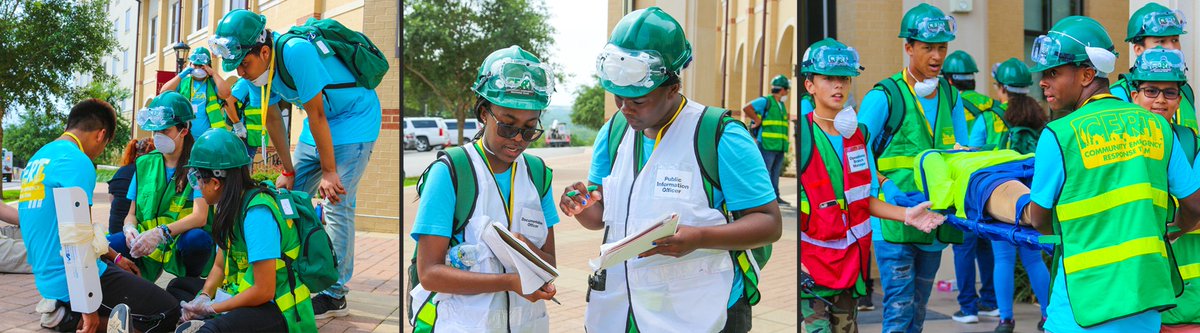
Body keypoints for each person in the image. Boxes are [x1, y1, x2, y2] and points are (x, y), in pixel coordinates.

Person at [563, 7, 782, 332]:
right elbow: (600, 216)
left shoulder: (720, 135)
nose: (625, 108)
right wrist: (580, 206)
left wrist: (700, 237)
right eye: (619, 97)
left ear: (673, 87)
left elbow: (769, 223)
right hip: (623, 312)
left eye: (637, 100)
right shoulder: (613, 133)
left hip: (702, 313)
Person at [1016, 15, 1200, 332]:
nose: (1043, 81)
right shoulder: (1157, 126)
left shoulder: (1059, 135)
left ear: (1088, 74)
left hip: (1081, 309)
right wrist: (1175, 228)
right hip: (1145, 305)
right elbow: (1194, 206)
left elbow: (1040, 220)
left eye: (1053, 72)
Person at [211, 10, 382, 318]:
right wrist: (288, 171)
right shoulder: (256, 70)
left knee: (336, 202)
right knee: (286, 198)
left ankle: (335, 294)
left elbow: (315, 113)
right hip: (320, 124)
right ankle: (284, 276)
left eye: (245, 64)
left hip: (353, 118)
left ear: (264, 51)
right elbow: (273, 118)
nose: (242, 72)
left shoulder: (295, 51)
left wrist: (329, 172)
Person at [798, 37, 947, 333]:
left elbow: (862, 199)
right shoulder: (803, 134)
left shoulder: (856, 139)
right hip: (811, 273)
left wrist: (906, 215)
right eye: (829, 78)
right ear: (810, 85)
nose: (838, 86)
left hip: (848, 270)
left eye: (844, 78)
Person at [407, 45, 560, 332]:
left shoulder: (538, 175)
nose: (518, 139)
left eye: (530, 129)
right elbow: (429, 274)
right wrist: (511, 283)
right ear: (483, 113)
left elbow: (550, 262)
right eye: (507, 126)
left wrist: (525, 249)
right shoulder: (451, 173)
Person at [18, 99, 180, 332]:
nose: (99, 152)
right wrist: (89, 308)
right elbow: (77, 239)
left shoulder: (40, 158)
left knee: (135, 287)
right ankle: (72, 319)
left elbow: (74, 228)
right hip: (69, 279)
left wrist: (116, 258)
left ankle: (64, 310)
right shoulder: (77, 161)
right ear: (101, 134)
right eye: (105, 145)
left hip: (45, 277)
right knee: (166, 311)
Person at [857, 4, 970, 332]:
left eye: (942, 48)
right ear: (908, 47)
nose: (937, 56)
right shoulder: (885, 96)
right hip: (893, 223)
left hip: (933, 221)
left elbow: (961, 154)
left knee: (918, 312)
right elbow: (857, 152)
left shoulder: (951, 95)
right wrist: (886, 186)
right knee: (899, 309)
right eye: (928, 48)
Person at [173, 128, 317, 333]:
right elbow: (219, 267)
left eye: (197, 179)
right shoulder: (228, 204)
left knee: (212, 330)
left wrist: (212, 308)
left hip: (277, 310)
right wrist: (203, 297)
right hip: (241, 295)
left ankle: (203, 326)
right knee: (177, 288)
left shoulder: (258, 214)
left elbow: (264, 290)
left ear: (215, 183)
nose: (196, 187)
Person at [967, 58, 1054, 333]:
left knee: (1002, 257)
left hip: (998, 194)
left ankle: (1006, 320)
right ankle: (1048, 315)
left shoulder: (990, 117)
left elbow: (973, 157)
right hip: (1031, 195)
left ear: (1001, 88)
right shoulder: (1041, 117)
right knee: (1034, 258)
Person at [1123, 47, 1200, 332]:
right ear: (1135, 96)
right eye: (1151, 91)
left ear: (1179, 100)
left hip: (1187, 302)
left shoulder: (1192, 146)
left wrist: (1180, 225)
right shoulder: (1117, 148)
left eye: (1169, 93)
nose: (1159, 100)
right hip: (1135, 293)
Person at [107, 92, 215, 295]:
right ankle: (129, 288)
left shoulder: (198, 165)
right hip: (144, 242)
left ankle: (189, 285)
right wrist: (130, 229)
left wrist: (160, 233)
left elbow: (200, 217)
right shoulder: (144, 163)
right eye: (155, 130)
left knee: (197, 240)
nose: (158, 136)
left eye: (165, 130)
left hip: (180, 241)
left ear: (184, 130)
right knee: (108, 246)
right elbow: (132, 213)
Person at [941, 49, 1001, 323]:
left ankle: (968, 307)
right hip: (988, 187)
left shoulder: (948, 106)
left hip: (961, 186)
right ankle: (990, 301)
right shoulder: (990, 106)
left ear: (949, 80)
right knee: (985, 246)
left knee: (963, 247)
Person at [1109, 2, 1196, 134]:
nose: (1172, 48)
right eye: (1161, 42)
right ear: (1139, 49)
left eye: (1175, 40)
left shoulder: (1185, 91)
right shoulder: (1116, 95)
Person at [159, 47, 238, 140]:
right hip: (185, 138)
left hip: (208, 138)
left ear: (208, 66)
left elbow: (226, 93)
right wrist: (181, 75)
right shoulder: (183, 82)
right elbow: (163, 93)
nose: (198, 68)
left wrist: (213, 73)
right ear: (190, 64)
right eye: (195, 65)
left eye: (201, 66)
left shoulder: (212, 83)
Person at [742, 74, 792, 206]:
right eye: (787, 90)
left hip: (779, 146)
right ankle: (760, 199)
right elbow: (747, 107)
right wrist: (758, 120)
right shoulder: (766, 101)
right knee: (763, 173)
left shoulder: (780, 104)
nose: (787, 93)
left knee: (775, 173)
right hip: (766, 144)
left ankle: (775, 198)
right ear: (782, 89)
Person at [108, 138, 155, 235]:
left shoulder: (121, 171)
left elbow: (112, 200)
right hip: (134, 233)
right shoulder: (148, 173)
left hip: (114, 229)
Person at [224, 78, 266, 158]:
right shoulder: (246, 82)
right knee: (241, 167)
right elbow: (228, 101)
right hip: (243, 134)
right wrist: (238, 125)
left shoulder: (261, 83)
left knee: (246, 167)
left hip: (253, 137)